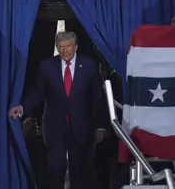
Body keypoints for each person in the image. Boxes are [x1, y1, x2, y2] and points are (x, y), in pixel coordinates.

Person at [8, 31, 108, 189]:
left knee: (78, 171)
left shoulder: (88, 65)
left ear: (75, 46)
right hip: (55, 127)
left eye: (68, 46)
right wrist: (22, 108)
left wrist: (101, 125)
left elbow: (97, 98)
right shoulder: (47, 66)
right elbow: (37, 93)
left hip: (81, 127)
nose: (65, 51)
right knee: (56, 167)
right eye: (61, 47)